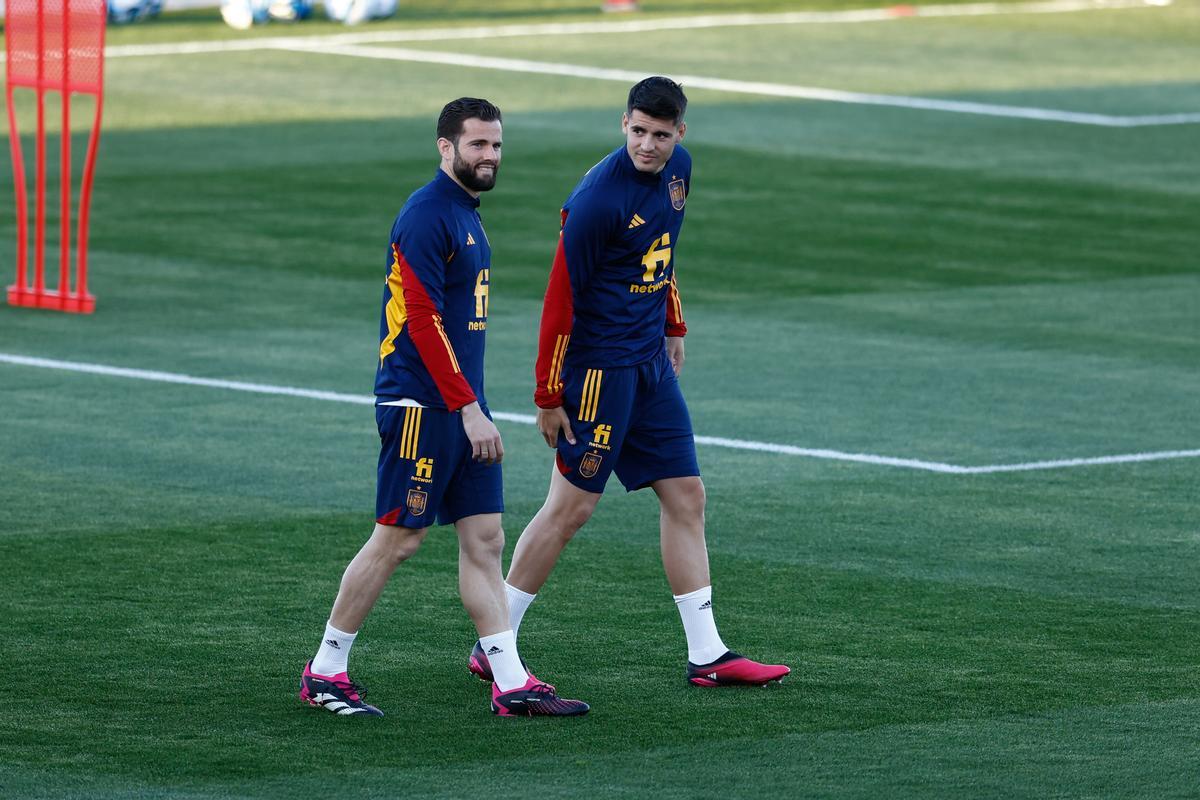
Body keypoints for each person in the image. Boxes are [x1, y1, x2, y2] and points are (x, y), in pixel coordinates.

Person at [466, 77, 790, 691]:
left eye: (660, 135)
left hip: (649, 367)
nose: (647, 144)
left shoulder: (678, 172)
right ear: (624, 124)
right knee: (570, 510)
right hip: (597, 375)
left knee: (687, 495)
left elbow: (662, 252)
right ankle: (496, 640)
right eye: (638, 131)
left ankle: (707, 654)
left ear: (680, 135)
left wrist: (672, 321)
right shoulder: (597, 200)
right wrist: (547, 394)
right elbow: (560, 300)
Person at [299, 98, 588, 718]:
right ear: (445, 146)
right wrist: (467, 407)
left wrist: (472, 406)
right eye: (478, 145)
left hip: (461, 408)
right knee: (398, 539)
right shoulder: (428, 215)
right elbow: (425, 323)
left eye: (497, 146)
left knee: (484, 539)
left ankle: (510, 683)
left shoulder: (466, 213)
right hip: (421, 405)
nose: (490, 157)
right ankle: (326, 669)